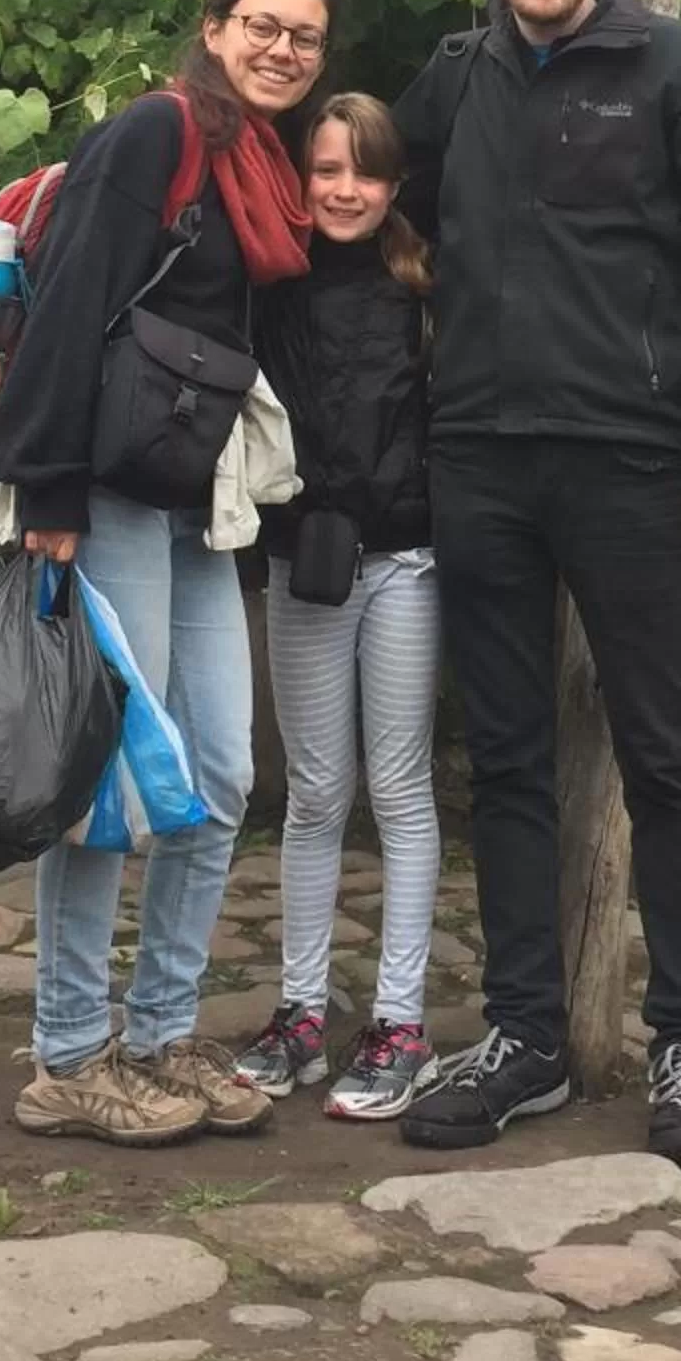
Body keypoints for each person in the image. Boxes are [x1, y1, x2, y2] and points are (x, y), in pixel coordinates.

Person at [391, 0, 681, 1164]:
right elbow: (378, 199)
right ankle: (527, 1040)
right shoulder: (455, 79)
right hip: (480, 458)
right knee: (505, 760)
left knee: (665, 763)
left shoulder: (673, 68)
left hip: (631, 462)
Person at [0, 0, 341, 1147]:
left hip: (199, 501)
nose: (283, 49)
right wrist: (51, 490)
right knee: (106, 782)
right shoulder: (158, 134)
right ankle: (69, 1056)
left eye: (305, 36)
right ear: (216, 25)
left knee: (221, 773)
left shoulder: (264, 166)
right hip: (107, 495)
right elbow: (75, 297)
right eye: (263, 26)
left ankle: (161, 1034)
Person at [230, 93, 447, 1121]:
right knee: (316, 793)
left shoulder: (426, 285)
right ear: (300, 178)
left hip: (406, 560)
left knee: (399, 789)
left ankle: (401, 1024)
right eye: (326, 170)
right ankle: (301, 1014)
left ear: (394, 184)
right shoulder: (271, 284)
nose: (345, 190)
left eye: (365, 171)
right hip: (306, 560)